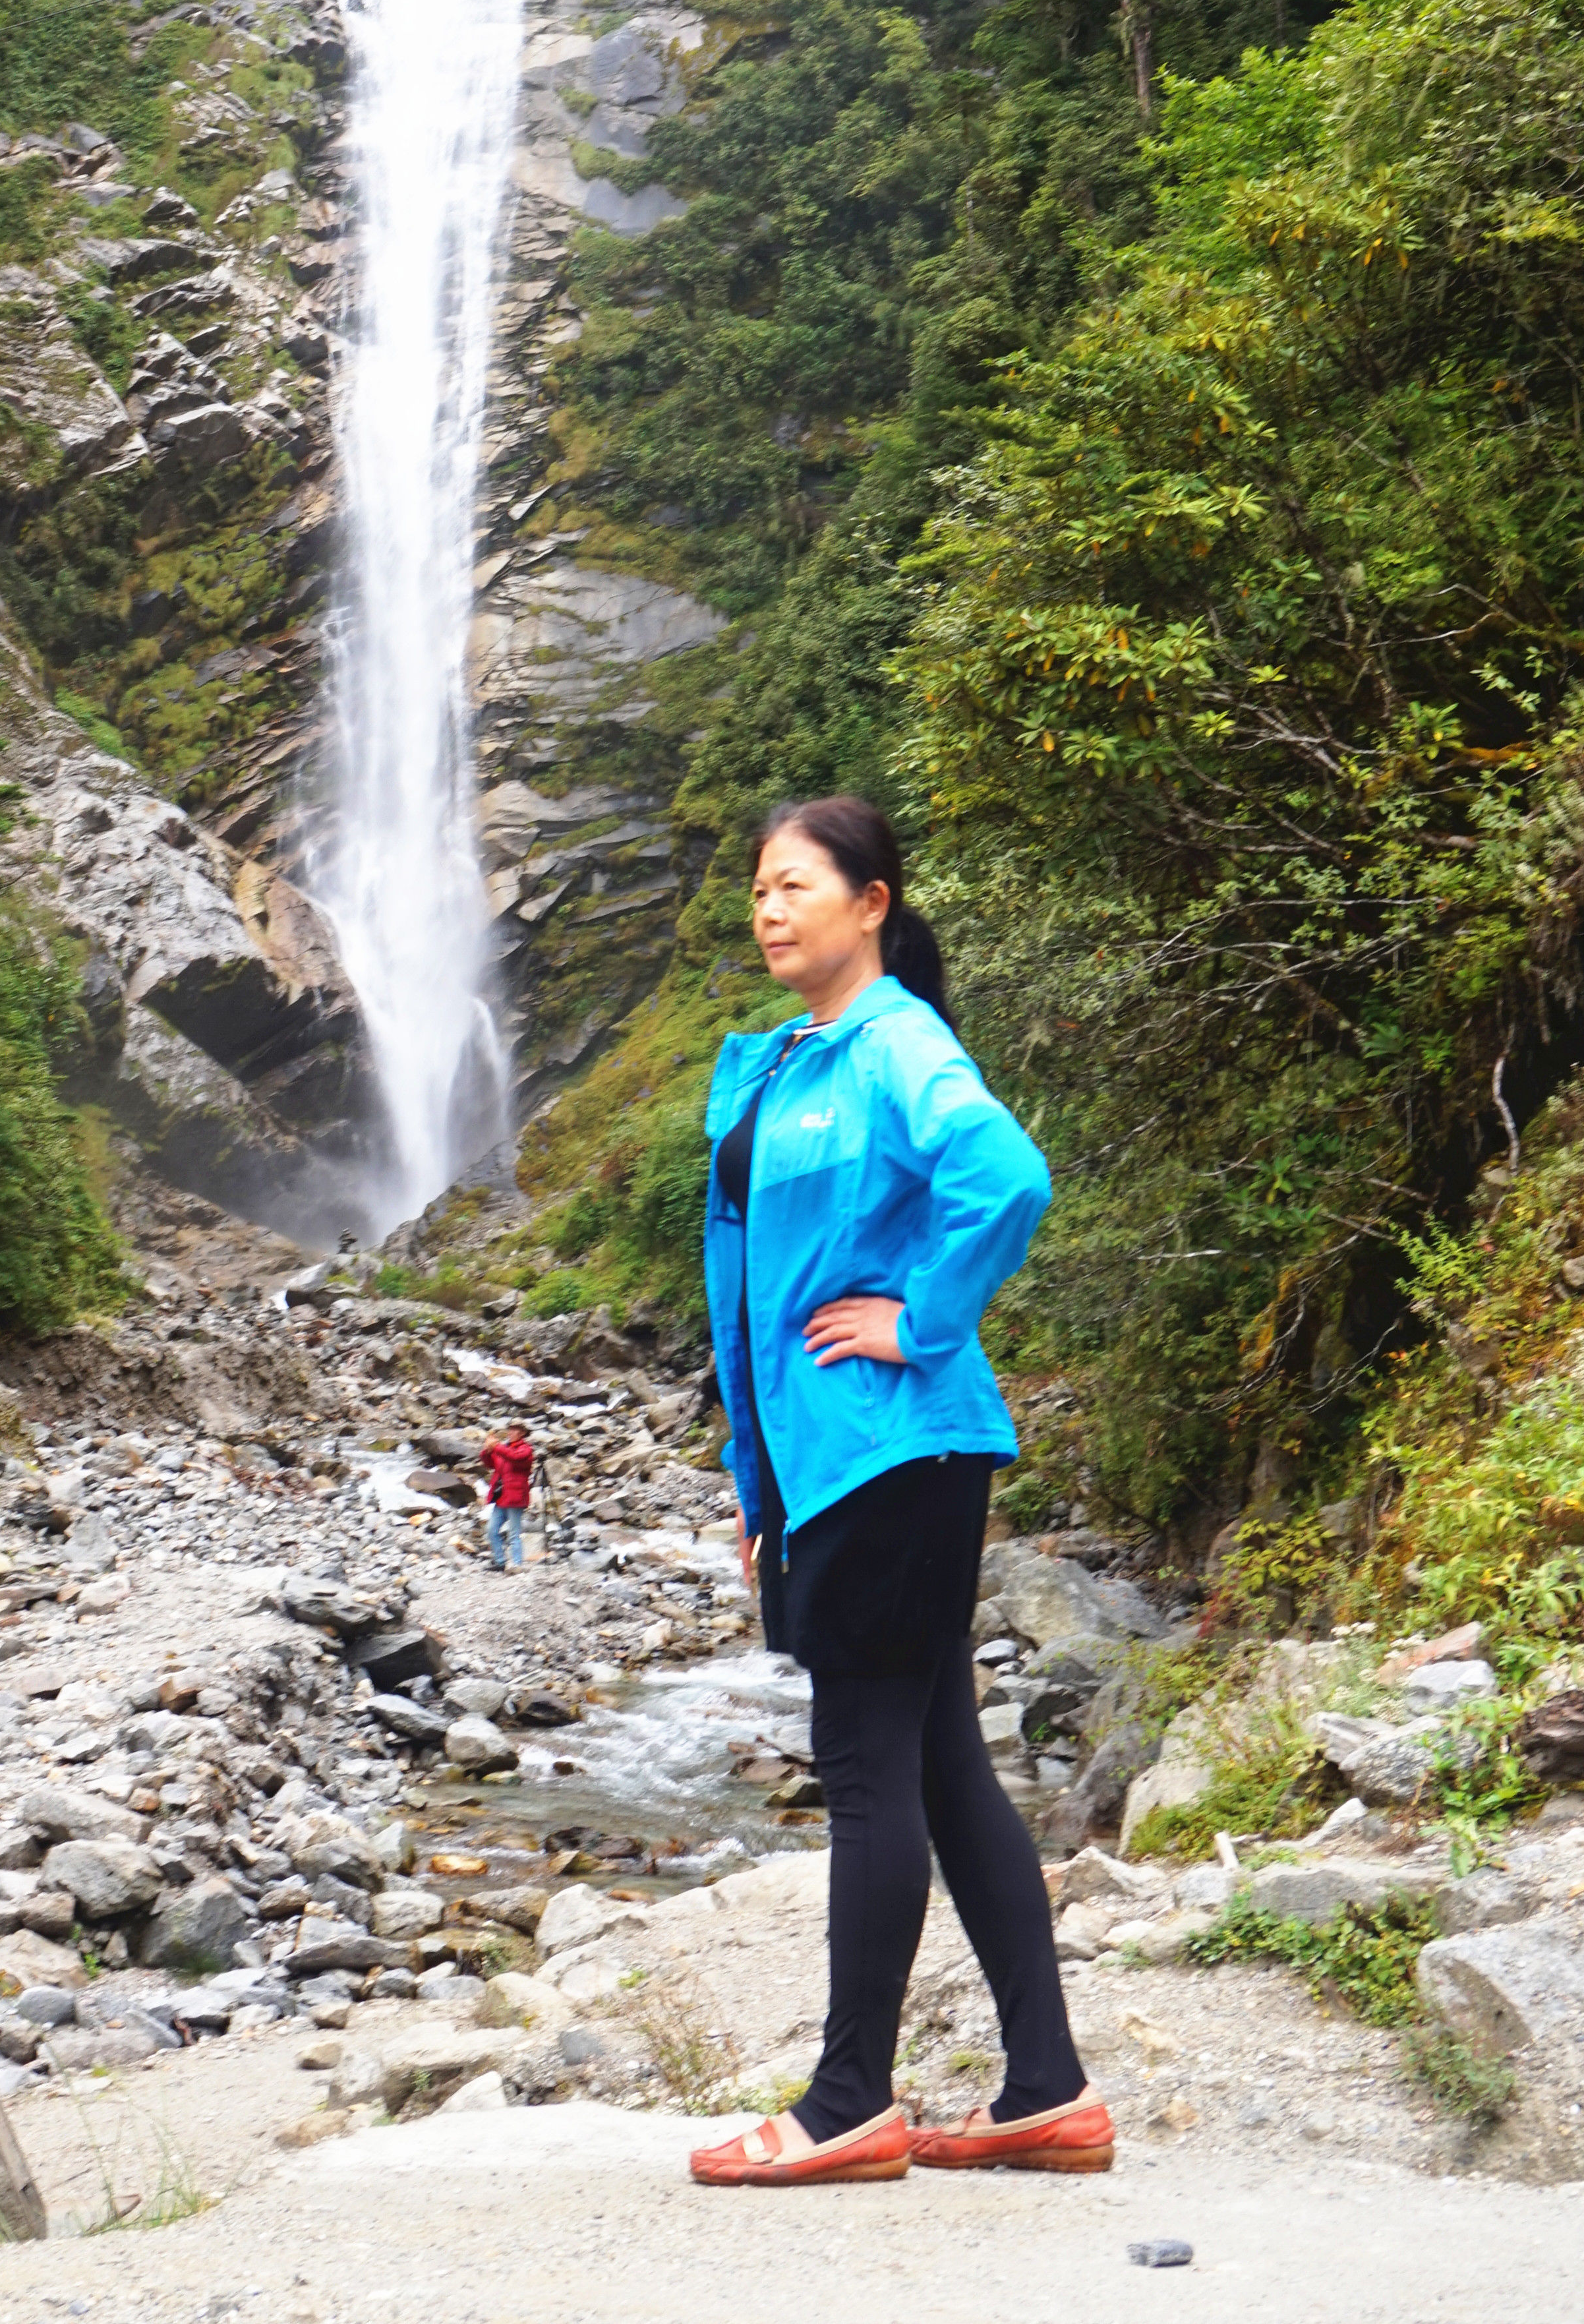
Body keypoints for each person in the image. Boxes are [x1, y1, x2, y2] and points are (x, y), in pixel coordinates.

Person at [686, 796, 1110, 2191]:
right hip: (831, 1464)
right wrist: (757, 1482)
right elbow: (751, 1298)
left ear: (870, 902)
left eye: (794, 884)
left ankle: (844, 2103)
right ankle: (1045, 2091)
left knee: (867, 1762)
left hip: (895, 1446)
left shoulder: (895, 1041)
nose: (767, 908)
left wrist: (918, 1318)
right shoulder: (784, 1059)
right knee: (938, 1763)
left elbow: (1007, 1174)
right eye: (757, 887)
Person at [480, 1421, 535, 1570]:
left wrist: (496, 1446)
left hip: (516, 1497)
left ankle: (517, 1564)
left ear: (522, 1433)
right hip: (502, 1497)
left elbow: (514, 1457)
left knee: (514, 1533)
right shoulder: (505, 1449)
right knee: (491, 1530)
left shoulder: (526, 1450)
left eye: (514, 1430)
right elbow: (490, 1463)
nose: (510, 1433)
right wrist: (487, 1450)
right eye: (510, 1430)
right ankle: (500, 1561)